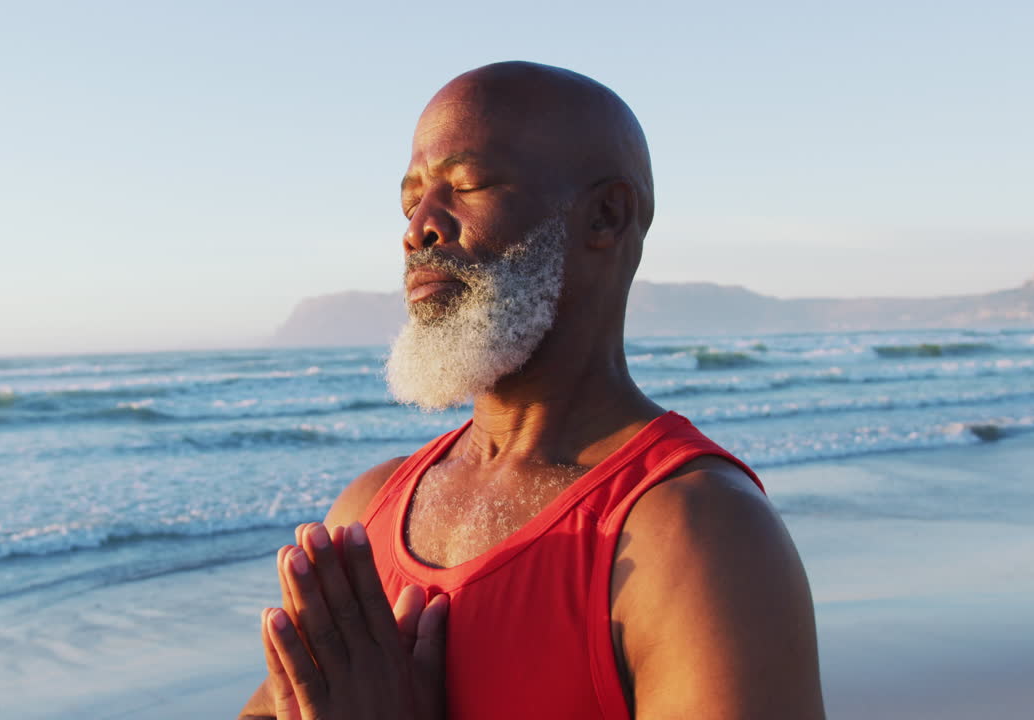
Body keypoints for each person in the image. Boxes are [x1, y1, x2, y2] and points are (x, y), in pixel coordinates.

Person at [239, 61, 825, 720]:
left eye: (467, 186)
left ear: (605, 216)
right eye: (411, 201)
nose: (418, 228)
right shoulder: (365, 514)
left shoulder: (698, 534)